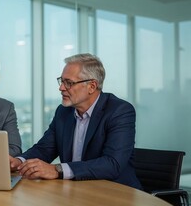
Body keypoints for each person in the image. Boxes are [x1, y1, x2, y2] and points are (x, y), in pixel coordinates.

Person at [9, 53, 142, 189]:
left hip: (116, 193)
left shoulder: (119, 111)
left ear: (91, 86)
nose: (61, 88)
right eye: (62, 81)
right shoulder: (63, 112)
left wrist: (57, 170)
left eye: (69, 83)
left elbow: (112, 164)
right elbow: (45, 149)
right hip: (77, 191)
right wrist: (18, 161)